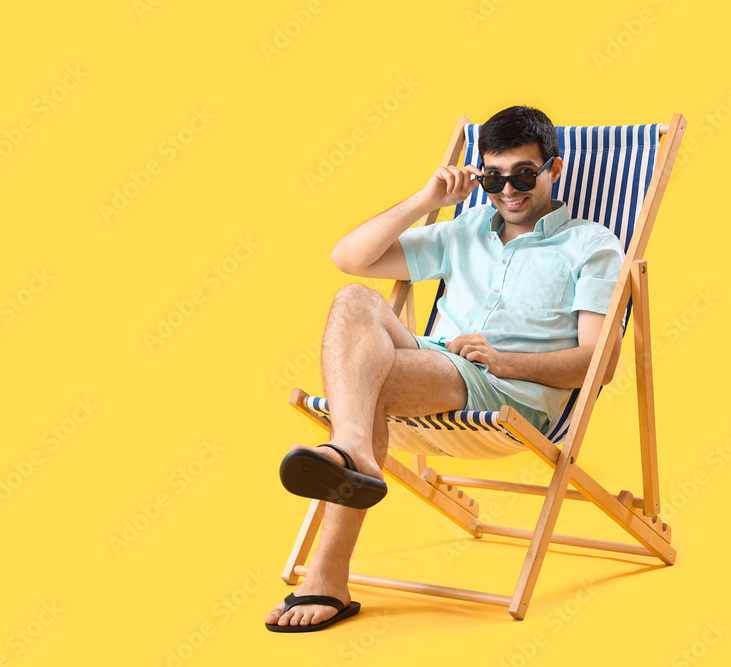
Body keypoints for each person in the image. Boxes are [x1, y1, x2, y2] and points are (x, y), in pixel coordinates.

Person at [266, 105, 624, 632]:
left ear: (555, 169)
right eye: (492, 177)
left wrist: (505, 360)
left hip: (509, 392)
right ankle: (354, 449)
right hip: (437, 360)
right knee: (352, 299)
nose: (507, 191)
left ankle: (328, 570)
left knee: (369, 385)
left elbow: (600, 365)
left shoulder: (591, 245)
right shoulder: (467, 228)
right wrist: (428, 200)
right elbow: (351, 257)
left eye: (524, 174)